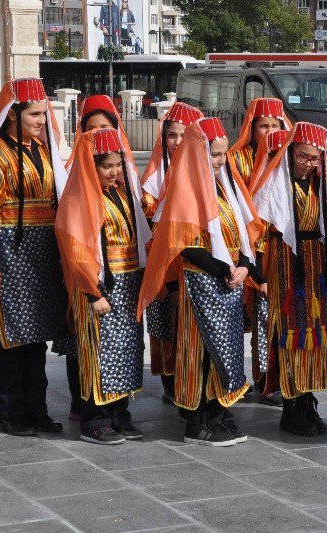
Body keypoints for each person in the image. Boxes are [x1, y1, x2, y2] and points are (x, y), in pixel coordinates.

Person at [138, 117, 262, 446]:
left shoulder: (226, 186)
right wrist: (223, 268)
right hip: (202, 283)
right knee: (201, 351)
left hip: (229, 283)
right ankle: (197, 421)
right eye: (215, 154)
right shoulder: (184, 186)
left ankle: (218, 412)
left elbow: (244, 233)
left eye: (223, 154)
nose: (221, 161)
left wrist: (246, 266)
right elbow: (182, 243)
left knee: (227, 349)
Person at [0, 78, 68, 436]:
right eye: (35, 114)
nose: (43, 120)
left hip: (41, 253)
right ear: (13, 115)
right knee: (11, 337)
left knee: (36, 336)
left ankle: (37, 410)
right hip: (11, 250)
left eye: (44, 114)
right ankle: (10, 413)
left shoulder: (43, 150)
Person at [250, 122, 327, 437]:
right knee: (291, 333)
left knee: (315, 334)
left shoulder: (318, 185)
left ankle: (309, 400)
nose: (309, 163)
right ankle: (292, 405)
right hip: (285, 266)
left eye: (315, 158)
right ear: (291, 152)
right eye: (304, 157)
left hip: (313, 264)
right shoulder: (275, 186)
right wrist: (261, 277)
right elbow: (259, 233)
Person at [55, 128, 151, 445]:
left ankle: (119, 414)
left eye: (117, 165)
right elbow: (76, 249)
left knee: (125, 351)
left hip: (127, 285)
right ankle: (94, 419)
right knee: (97, 353)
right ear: (91, 165)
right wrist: (92, 292)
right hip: (98, 289)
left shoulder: (121, 195)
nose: (114, 172)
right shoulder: (81, 199)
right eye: (106, 165)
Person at [228, 98, 291, 405]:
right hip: (247, 247)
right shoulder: (235, 158)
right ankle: (259, 379)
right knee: (253, 318)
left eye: (274, 125)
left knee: (277, 316)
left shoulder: (289, 158)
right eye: (262, 125)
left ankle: (276, 380)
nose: (268, 131)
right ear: (251, 128)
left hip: (281, 248)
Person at [141, 102, 204, 403]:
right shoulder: (151, 182)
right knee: (165, 324)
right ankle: (170, 379)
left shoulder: (204, 176)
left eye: (183, 136)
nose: (177, 142)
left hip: (194, 265)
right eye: (171, 136)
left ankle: (192, 378)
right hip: (163, 269)